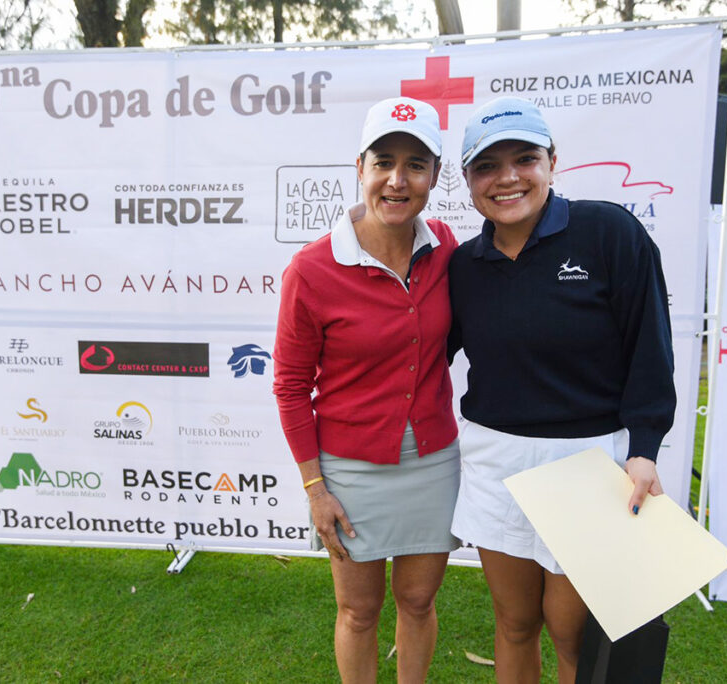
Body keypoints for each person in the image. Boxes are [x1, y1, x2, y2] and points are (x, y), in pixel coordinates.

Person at [447, 97, 676, 682]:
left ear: (552, 162)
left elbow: (650, 347)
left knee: (573, 632)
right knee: (514, 623)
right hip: (495, 460)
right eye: (487, 166)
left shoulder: (609, 232)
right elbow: (421, 350)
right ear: (469, 180)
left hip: (589, 463)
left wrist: (645, 448)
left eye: (524, 158)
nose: (507, 178)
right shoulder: (463, 266)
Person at [273, 97, 460, 683]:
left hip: (432, 463)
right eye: (383, 161)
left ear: (433, 176)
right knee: (358, 611)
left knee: (419, 602)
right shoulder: (312, 269)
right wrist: (315, 489)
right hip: (347, 470)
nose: (397, 180)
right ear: (360, 168)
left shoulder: (448, 248)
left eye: (415, 164)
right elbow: (289, 386)